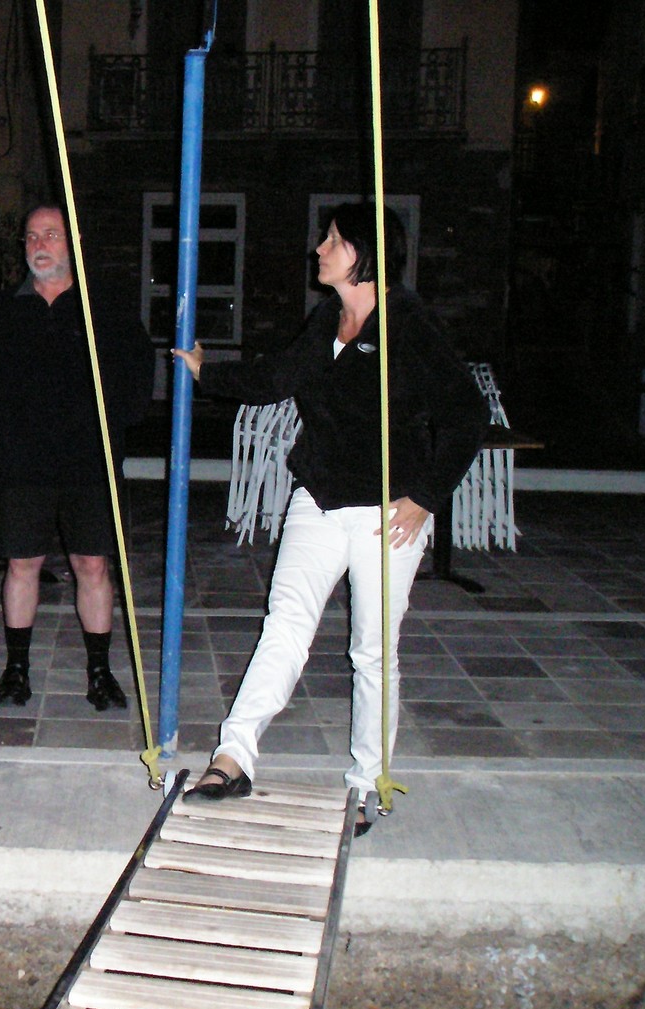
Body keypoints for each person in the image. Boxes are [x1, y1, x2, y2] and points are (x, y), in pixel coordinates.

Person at [173, 203, 488, 834]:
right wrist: (208, 371)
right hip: (317, 499)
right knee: (285, 627)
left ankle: (368, 783)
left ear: (365, 253)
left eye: (334, 240)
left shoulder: (408, 325)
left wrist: (426, 496)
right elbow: (276, 377)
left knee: (372, 651)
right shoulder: (327, 318)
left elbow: (466, 415)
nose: (319, 248)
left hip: (385, 513)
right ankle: (233, 756)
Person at [0, 204, 155, 711]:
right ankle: (16, 670)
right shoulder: (7, 310)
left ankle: (100, 672)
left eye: (50, 234)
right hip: (24, 460)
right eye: (31, 236)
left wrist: (108, 425)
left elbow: (138, 375)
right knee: (22, 563)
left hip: (90, 460)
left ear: (74, 243)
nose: (39, 245)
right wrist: (12, 421)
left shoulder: (103, 308)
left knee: (93, 563)